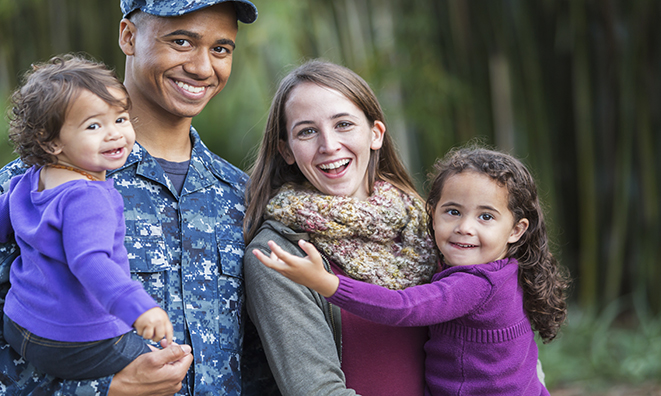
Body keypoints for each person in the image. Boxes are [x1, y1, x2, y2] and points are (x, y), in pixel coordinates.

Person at [0, 0, 258, 395]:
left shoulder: (240, 196)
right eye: (182, 41)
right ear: (128, 36)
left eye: (220, 49)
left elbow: (259, 360)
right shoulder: (39, 180)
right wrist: (107, 388)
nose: (203, 68)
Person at [255, 146, 571, 395]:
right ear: (431, 213)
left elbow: (405, 307)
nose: (464, 227)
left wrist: (329, 284)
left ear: (516, 229)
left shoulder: (475, 283)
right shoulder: (508, 269)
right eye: (453, 211)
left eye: (485, 217)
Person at [243, 59, 439, 395]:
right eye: (307, 131)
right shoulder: (279, 254)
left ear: (375, 134)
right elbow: (318, 391)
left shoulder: (431, 226)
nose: (329, 145)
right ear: (286, 151)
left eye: (344, 124)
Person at [1, 54, 175, 380]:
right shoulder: (88, 196)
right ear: (51, 142)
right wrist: (141, 308)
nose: (115, 134)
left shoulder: (30, 178)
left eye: (121, 119)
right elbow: (90, 262)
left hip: (20, 324)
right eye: (93, 126)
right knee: (165, 366)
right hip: (72, 341)